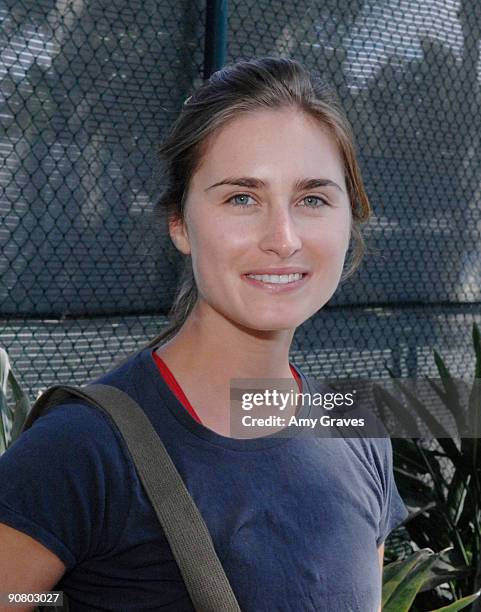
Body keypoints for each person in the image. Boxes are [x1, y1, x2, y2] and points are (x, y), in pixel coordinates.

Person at [0, 56, 408, 611]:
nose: (283, 237)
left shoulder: (355, 426)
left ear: (349, 216)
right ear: (179, 223)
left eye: (313, 198)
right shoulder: (81, 451)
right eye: (242, 197)